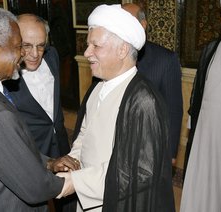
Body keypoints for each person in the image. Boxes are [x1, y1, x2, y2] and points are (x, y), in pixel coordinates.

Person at [0, 6, 78, 211]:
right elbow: (36, 188)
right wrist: (80, 181)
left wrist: (49, 163)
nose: (22, 55)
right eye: (18, 46)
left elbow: (6, 155)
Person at [56, 4, 175, 212]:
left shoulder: (143, 101)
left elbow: (136, 172)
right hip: (90, 195)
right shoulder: (98, 86)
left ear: (122, 50)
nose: (86, 53)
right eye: (88, 45)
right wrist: (73, 161)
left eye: (96, 46)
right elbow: (84, 133)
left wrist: (76, 182)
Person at [122, 3, 183, 165]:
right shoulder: (109, 58)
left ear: (143, 25)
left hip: (149, 149)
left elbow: (173, 110)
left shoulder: (165, 60)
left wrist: (170, 153)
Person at [3, 14, 69, 159]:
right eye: (26, 45)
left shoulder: (52, 56)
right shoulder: (4, 75)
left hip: (62, 146)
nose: (34, 54)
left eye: (40, 46)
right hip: (32, 155)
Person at [180, 1, 221, 211]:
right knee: (205, 181)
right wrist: (193, 118)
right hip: (206, 135)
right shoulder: (212, 48)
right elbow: (199, 90)